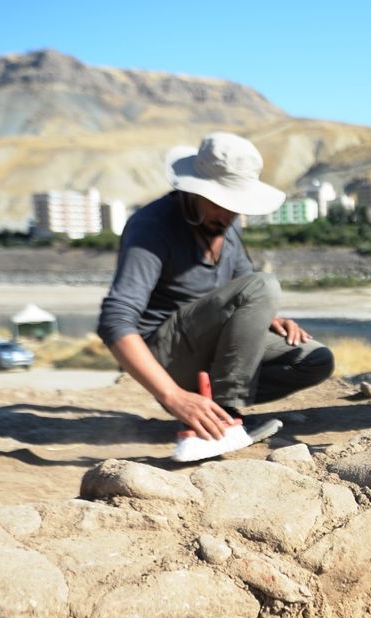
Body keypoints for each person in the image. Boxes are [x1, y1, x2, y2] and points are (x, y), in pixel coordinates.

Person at [97, 132, 334, 446]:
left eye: (235, 204)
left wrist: (264, 316)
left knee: (315, 360)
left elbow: (242, 283)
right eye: (219, 201)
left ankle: (210, 408)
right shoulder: (152, 228)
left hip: (210, 349)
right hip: (165, 356)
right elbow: (114, 320)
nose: (228, 212)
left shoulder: (227, 221)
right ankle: (225, 414)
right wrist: (172, 395)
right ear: (193, 188)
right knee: (264, 284)